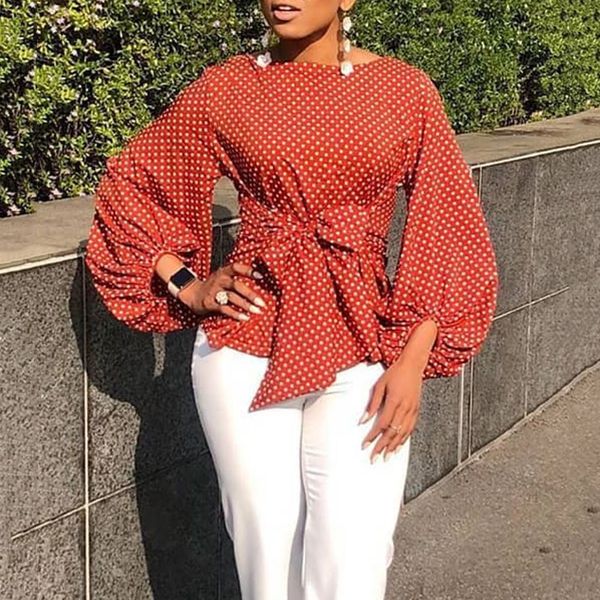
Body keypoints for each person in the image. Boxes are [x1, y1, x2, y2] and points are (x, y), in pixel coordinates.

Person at [84, 1, 500, 598]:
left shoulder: (405, 92)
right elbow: (134, 183)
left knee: (353, 558)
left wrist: (413, 359)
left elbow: (448, 223)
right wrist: (188, 285)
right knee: (267, 553)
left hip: (364, 343)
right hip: (244, 343)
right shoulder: (229, 86)